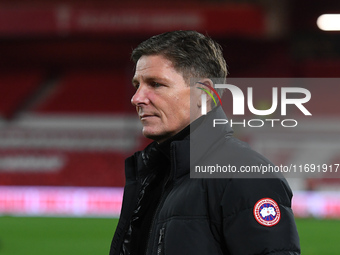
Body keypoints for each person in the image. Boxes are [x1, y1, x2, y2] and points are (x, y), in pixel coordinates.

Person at [109, 30, 300, 255]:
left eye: (156, 84)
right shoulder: (157, 172)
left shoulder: (244, 174)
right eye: (137, 85)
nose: (137, 98)